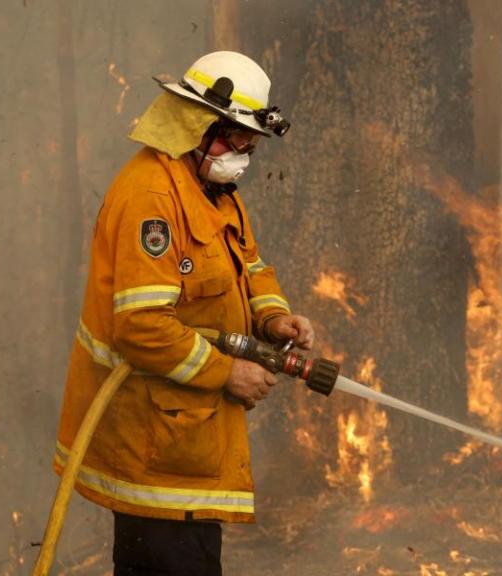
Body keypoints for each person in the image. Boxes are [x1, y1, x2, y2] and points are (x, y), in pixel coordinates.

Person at [52, 51, 313, 575]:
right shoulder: (151, 198)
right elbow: (142, 327)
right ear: (200, 125)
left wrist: (272, 318)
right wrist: (229, 372)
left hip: (185, 440)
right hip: (152, 442)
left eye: (251, 143)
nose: (244, 153)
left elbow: (250, 266)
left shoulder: (212, 193)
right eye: (238, 139)